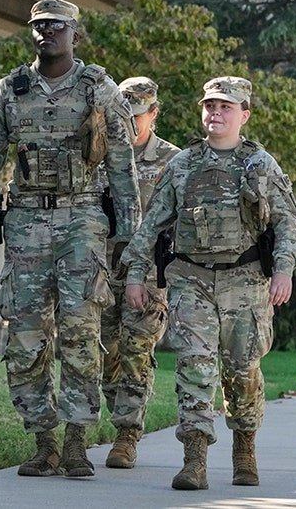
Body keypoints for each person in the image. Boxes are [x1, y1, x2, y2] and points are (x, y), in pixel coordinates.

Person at [0, 0, 141, 479]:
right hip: (25, 221)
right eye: (39, 26)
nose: (47, 33)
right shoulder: (9, 92)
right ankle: (44, 443)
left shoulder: (98, 89)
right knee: (25, 334)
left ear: (75, 34)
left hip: (82, 217)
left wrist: (128, 236)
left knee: (81, 331)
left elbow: (123, 166)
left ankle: (77, 441)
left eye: (57, 26)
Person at [121, 76, 296, 491]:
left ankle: (244, 446)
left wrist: (283, 268)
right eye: (210, 106)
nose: (216, 113)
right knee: (194, 366)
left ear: (245, 114)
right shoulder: (182, 165)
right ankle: (194, 459)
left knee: (243, 371)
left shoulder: (261, 165)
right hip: (191, 279)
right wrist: (137, 275)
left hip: (245, 281)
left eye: (226, 107)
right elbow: (150, 227)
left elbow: (287, 222)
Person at [100, 77, 180, 469]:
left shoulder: (172, 161)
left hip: (147, 272)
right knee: (103, 352)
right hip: (100, 268)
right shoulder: (99, 154)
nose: (130, 123)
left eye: (137, 115)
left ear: (154, 112)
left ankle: (126, 434)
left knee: (136, 350)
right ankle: (121, 411)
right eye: (123, 115)